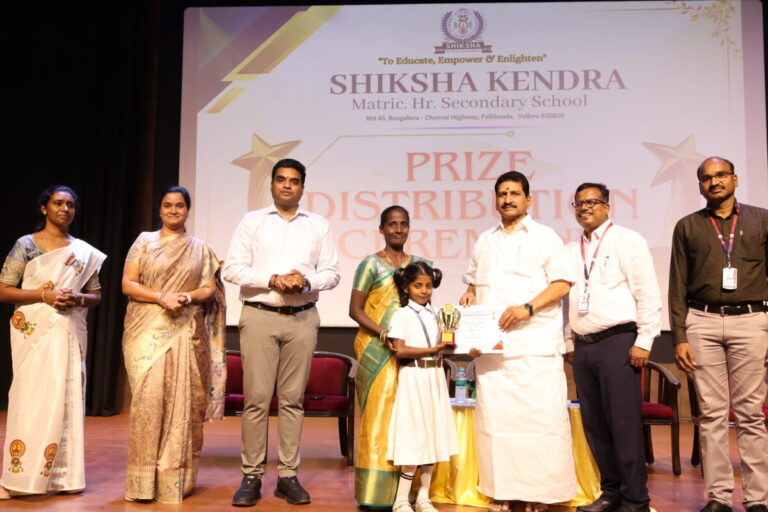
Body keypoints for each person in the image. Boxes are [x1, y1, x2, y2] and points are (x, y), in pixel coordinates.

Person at [223, 158, 340, 507]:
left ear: (302, 187)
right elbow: (232, 269)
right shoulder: (252, 221)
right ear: (272, 184)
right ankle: (252, 476)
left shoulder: (318, 225)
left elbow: (332, 273)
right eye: (281, 179)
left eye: (294, 181)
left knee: (292, 400)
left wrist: (305, 281)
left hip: (302, 317)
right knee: (257, 400)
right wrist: (272, 279)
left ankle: (288, 475)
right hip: (260, 315)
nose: (287, 185)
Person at [459, 171, 577, 512]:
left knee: (540, 425)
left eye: (514, 193)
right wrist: (469, 297)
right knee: (496, 427)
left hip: (534, 349)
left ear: (528, 199)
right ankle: (502, 492)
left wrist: (527, 308)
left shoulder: (546, 237)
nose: (507, 199)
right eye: (502, 194)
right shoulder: (484, 241)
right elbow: (473, 284)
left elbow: (562, 284)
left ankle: (540, 495)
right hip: (494, 354)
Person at [669, 156, 768, 512]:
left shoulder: (762, 219)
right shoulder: (687, 226)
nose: (714, 182)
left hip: (751, 320)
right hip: (702, 321)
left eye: (721, 175)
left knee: (751, 414)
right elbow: (677, 284)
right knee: (711, 415)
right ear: (700, 185)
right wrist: (679, 336)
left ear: (735, 179)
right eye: (706, 178)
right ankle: (719, 497)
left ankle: (757, 499)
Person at [120, 185, 226, 503]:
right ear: (160, 209)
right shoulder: (144, 241)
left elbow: (209, 288)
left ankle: (175, 479)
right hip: (145, 330)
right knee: (149, 403)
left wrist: (186, 297)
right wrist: (161, 297)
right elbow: (128, 284)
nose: (173, 211)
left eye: (179, 205)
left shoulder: (201, 248)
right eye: (167, 205)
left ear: (187, 210)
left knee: (184, 405)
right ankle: (142, 483)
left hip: (186, 330)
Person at [0, 185, 106, 499]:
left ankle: (64, 478)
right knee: (32, 400)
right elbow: (4, 290)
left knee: (67, 399)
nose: (65, 209)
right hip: (35, 332)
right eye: (58, 203)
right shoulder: (27, 245)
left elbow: (96, 296)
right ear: (44, 208)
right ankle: (20, 479)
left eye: (70, 204)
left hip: (68, 331)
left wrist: (78, 298)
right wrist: (45, 295)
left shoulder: (83, 252)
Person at [564, 183, 662, 512]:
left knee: (623, 425)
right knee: (595, 426)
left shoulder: (627, 240)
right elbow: (566, 301)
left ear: (607, 206)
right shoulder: (570, 249)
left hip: (619, 343)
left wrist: (644, 341)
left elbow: (647, 293)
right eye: (578, 203)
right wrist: (568, 341)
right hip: (583, 348)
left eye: (591, 201)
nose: (584, 207)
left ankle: (635, 500)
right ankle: (610, 493)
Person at [348, 206, 431, 507]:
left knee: (408, 416)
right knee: (379, 416)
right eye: (392, 224)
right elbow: (355, 310)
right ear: (381, 229)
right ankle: (375, 493)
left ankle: (405, 493)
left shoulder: (419, 266)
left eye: (403, 224)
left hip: (408, 350)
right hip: (376, 349)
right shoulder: (370, 264)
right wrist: (385, 334)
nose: (398, 229)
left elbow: (423, 308)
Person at [386, 261, 458, 512]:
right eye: (418, 286)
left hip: (435, 376)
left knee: (433, 434)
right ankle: (401, 500)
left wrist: (469, 347)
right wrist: (433, 349)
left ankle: (423, 498)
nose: (424, 291)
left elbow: (447, 346)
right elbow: (400, 350)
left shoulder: (439, 314)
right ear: (407, 287)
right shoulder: (401, 315)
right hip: (413, 376)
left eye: (428, 286)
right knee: (413, 435)